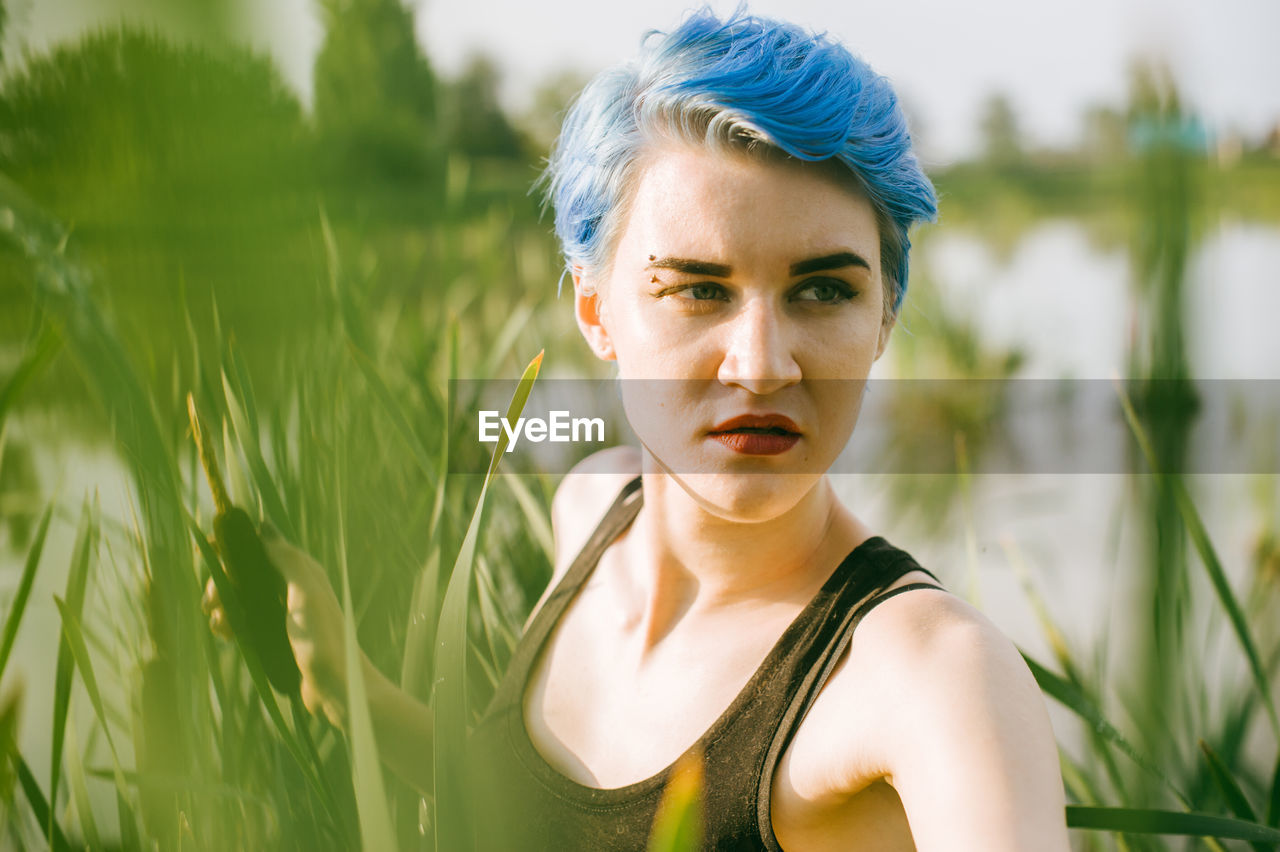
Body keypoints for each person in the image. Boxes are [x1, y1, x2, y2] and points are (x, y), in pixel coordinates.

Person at [205, 8, 1070, 850]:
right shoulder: (591, 505)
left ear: (885, 314)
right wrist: (354, 690)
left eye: (824, 289)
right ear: (594, 308)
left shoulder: (933, 679)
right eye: (699, 289)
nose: (761, 366)